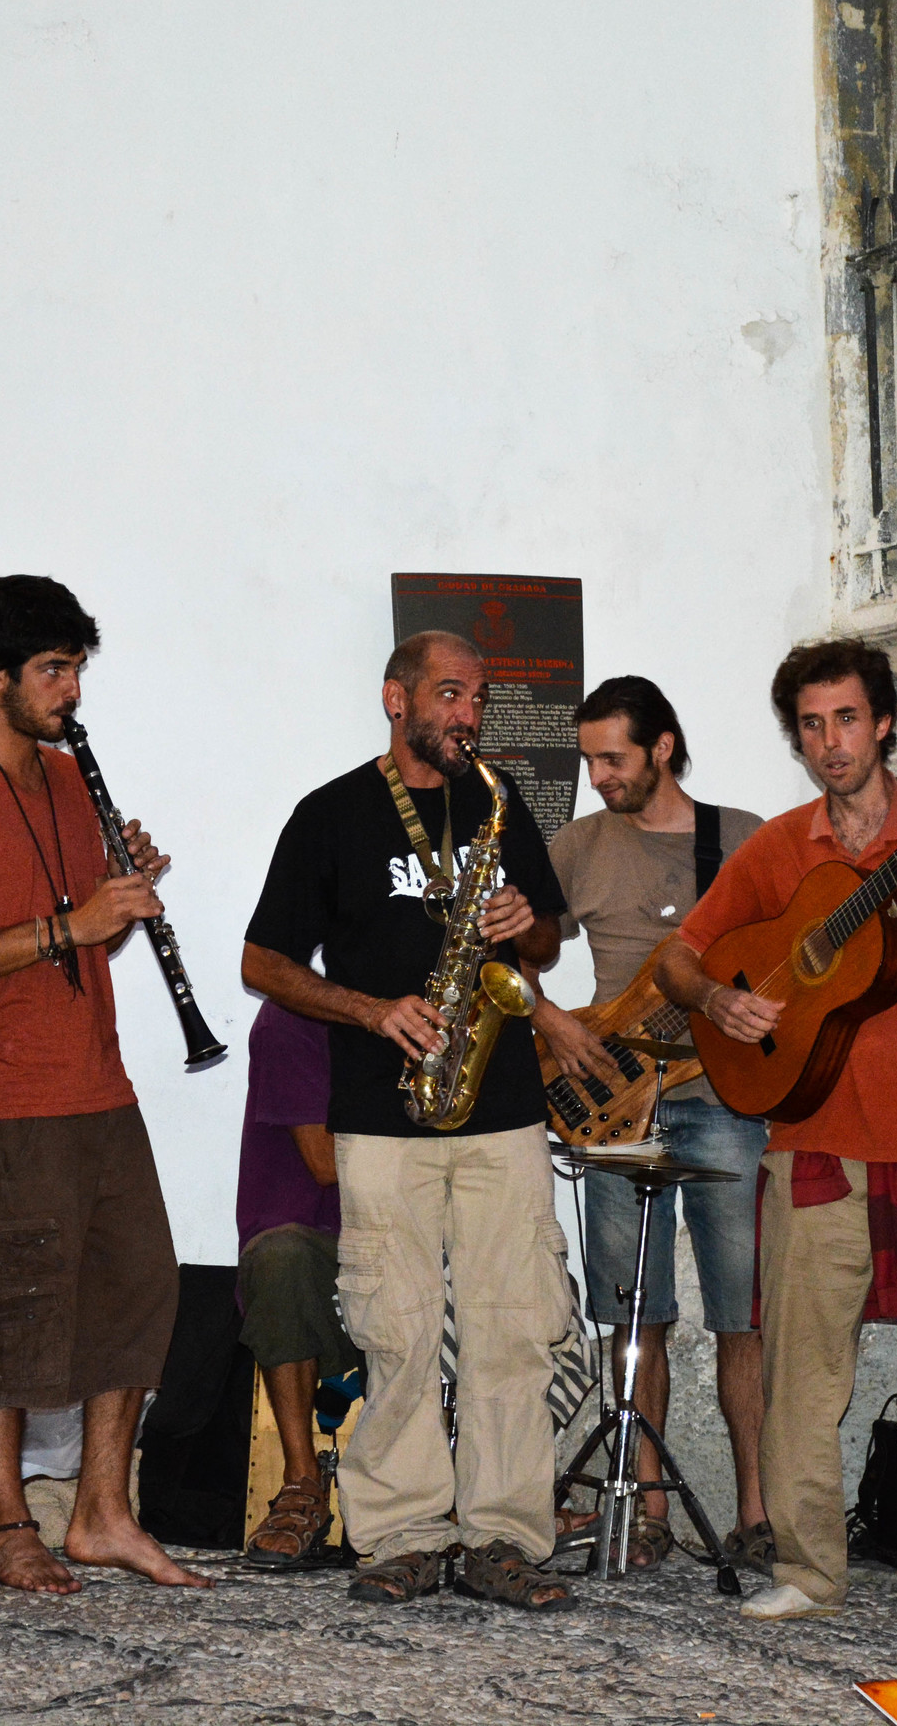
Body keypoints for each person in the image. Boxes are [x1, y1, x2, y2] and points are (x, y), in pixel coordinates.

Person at [652, 637, 897, 1646]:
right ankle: (808, 1568)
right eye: (811, 725)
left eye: (847, 719)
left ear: (885, 720)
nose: (830, 742)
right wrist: (722, 998)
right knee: (801, 1368)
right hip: (810, 1137)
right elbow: (678, 958)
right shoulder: (778, 846)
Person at [242, 629, 576, 1612]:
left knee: (514, 1324)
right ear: (396, 698)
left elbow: (550, 944)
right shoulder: (331, 814)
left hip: (501, 1108)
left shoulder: (502, 803)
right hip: (383, 1114)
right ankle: (400, 1532)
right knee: (393, 1329)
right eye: (447, 693)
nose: (466, 713)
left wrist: (529, 925)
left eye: (476, 696)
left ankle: (504, 1535)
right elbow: (262, 961)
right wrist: (370, 1009)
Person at [0, 575, 206, 1596]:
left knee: (137, 1290)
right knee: (12, 1315)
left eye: (75, 668)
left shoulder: (68, 780)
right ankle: (6, 1526)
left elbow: (80, 915)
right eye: (53, 670)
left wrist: (119, 886)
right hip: (2, 1098)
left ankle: (103, 1512)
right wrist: (70, 925)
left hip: (96, 1085)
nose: (72, 689)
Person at [529, 675, 771, 1573]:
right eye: (590, 758)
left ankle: (754, 1509)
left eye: (613, 758)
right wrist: (551, 1021)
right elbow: (520, 951)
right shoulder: (577, 845)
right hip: (610, 1096)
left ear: (662, 747)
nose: (598, 776)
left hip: (722, 1102)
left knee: (742, 1314)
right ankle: (649, 1504)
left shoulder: (740, 840)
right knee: (637, 1313)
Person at [231, 1000, 362, 1568]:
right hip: (316, 1243)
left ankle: (493, 1491)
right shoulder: (294, 1017)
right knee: (281, 1261)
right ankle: (302, 1482)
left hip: (404, 1233)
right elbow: (327, 1163)